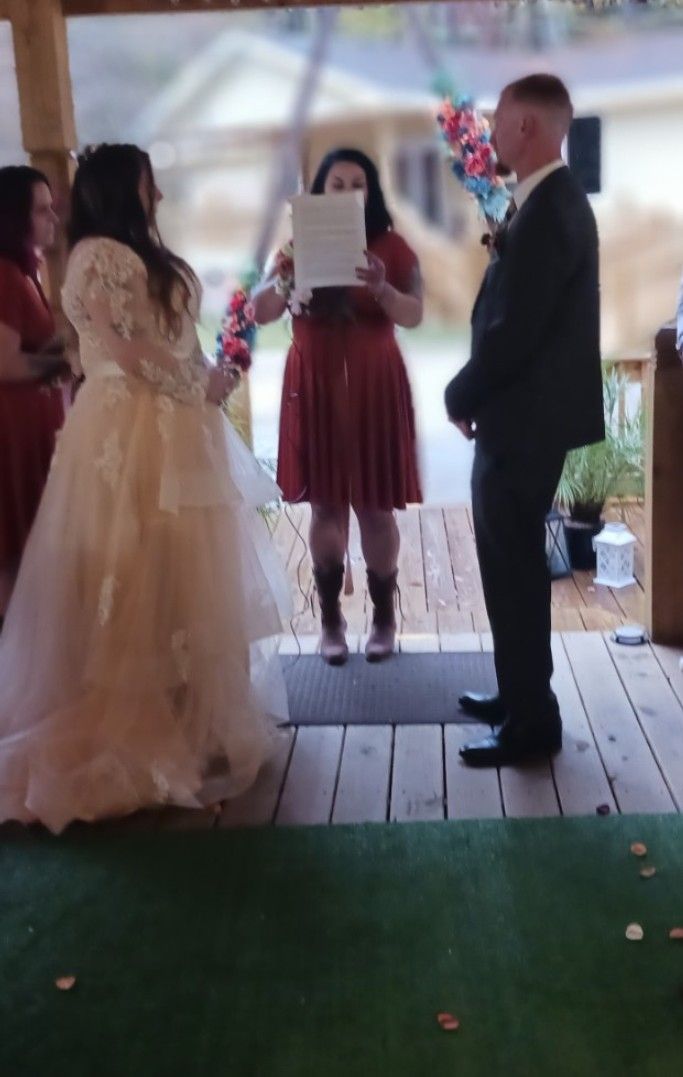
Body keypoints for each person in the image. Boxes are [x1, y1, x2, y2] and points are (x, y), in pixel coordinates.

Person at [0, 144, 290, 833]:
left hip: (172, 424)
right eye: (146, 185)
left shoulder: (129, 254)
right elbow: (127, 351)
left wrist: (209, 374)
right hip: (130, 431)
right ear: (121, 190)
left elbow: (164, 336)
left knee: (181, 574)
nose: (155, 197)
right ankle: (143, 727)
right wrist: (198, 383)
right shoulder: (97, 254)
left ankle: (191, 718)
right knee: (134, 574)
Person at [445, 75, 604, 767]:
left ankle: (531, 722)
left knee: (511, 567)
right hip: (522, 414)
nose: (488, 133)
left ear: (529, 128)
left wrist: (460, 392)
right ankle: (519, 695)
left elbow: (516, 331)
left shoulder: (549, 211)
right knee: (506, 564)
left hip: (524, 416)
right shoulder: (543, 202)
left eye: (499, 120)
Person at [253, 148, 423, 665]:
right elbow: (260, 311)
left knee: (375, 506)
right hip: (316, 383)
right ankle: (329, 618)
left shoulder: (393, 247)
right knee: (325, 504)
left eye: (357, 184)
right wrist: (287, 276)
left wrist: (382, 288)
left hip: (374, 383)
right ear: (320, 192)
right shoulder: (294, 247)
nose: (347, 193)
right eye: (337, 184)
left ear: (371, 192)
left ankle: (385, 617)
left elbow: (414, 314)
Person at [0, 166, 70, 627]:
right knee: (11, 552)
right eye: (42, 210)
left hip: (32, 424)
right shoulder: (4, 274)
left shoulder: (27, 270)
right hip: (10, 430)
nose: (53, 219)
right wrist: (66, 362)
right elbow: (5, 363)